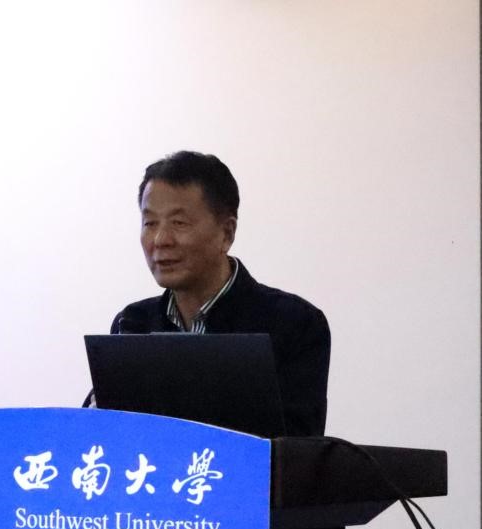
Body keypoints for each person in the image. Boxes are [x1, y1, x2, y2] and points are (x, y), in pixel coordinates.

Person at [110, 150, 330, 437]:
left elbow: (300, 451)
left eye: (179, 223)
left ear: (227, 233)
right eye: (150, 223)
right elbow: (113, 436)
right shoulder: (132, 324)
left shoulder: (294, 324)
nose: (161, 240)